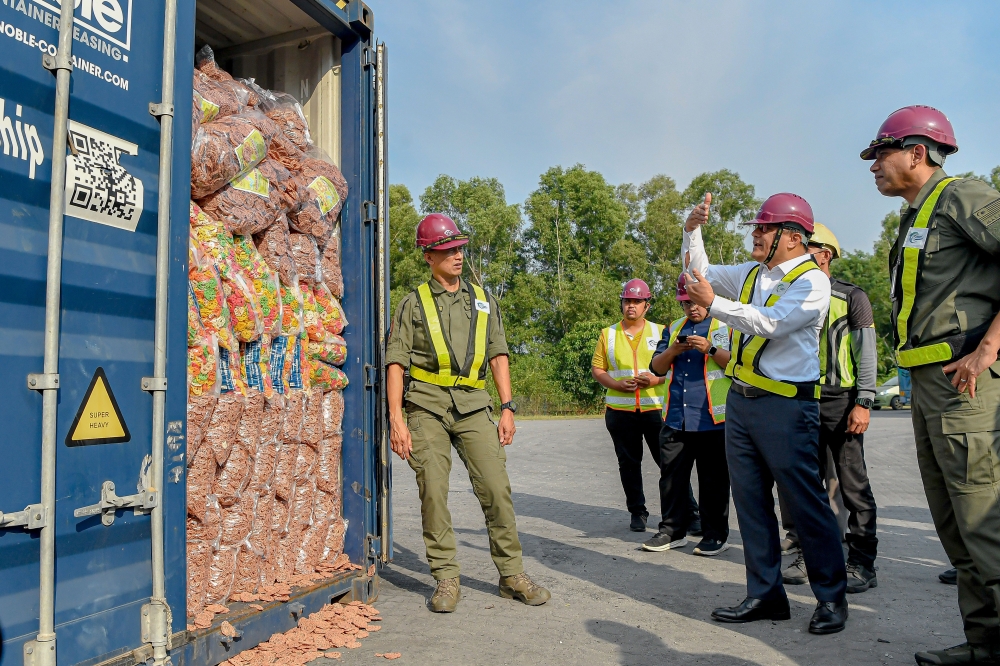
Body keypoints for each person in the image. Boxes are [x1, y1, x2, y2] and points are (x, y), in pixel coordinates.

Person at [861, 105, 1000, 664]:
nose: (873, 165)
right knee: (952, 522)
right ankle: (984, 644)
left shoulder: (964, 195)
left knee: (981, 520)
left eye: (881, 153)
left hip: (965, 381)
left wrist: (989, 348)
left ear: (918, 153)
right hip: (927, 383)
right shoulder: (916, 213)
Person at [683, 192, 849, 635]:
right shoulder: (753, 273)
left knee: (805, 504)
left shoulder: (813, 282)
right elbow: (699, 274)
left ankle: (831, 597)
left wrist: (713, 303)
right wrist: (691, 229)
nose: (755, 235)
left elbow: (770, 323)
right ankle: (766, 594)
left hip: (786, 407)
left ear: (792, 238)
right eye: (757, 228)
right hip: (741, 403)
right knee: (751, 503)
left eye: (764, 229)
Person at [385, 213, 551, 613]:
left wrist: (508, 407)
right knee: (434, 493)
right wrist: (396, 418)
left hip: (475, 406)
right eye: (447, 250)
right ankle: (446, 578)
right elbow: (396, 362)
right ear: (428, 256)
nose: (457, 256)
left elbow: (498, 355)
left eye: (460, 248)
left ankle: (511, 575)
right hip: (426, 406)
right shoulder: (412, 304)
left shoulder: (483, 299)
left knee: (496, 489)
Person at [780, 223, 880, 594]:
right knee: (807, 485)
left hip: (842, 402)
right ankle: (812, 556)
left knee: (853, 486)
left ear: (824, 255)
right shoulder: (789, 295)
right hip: (800, 399)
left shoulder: (852, 297)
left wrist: (864, 402)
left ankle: (862, 562)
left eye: (803, 247)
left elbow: (865, 353)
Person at [643, 274, 733, 556]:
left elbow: (737, 365)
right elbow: (657, 367)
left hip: (713, 420)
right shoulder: (674, 328)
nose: (692, 308)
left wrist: (710, 349)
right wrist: (673, 349)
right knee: (671, 480)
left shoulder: (726, 325)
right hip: (676, 418)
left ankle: (714, 534)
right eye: (686, 303)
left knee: (713, 482)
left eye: (696, 302)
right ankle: (672, 530)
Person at [591, 279, 669, 532]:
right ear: (622, 303)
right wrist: (614, 384)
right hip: (621, 412)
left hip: (656, 409)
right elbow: (597, 368)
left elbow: (673, 369)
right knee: (629, 464)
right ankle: (637, 512)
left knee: (670, 464)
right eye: (627, 301)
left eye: (637, 301)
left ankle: (686, 512)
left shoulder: (661, 332)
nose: (631, 306)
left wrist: (655, 379)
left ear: (647, 305)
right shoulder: (608, 334)